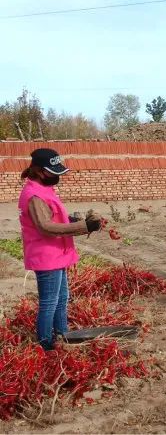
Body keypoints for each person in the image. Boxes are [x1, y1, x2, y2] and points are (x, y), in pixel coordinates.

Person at [18, 148, 103, 351]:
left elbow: (53, 215)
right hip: (46, 255)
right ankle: (46, 344)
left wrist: (73, 220)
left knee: (62, 297)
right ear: (39, 171)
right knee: (49, 301)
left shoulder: (44, 189)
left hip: (56, 253)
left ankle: (63, 334)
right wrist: (85, 227)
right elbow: (46, 226)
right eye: (53, 172)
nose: (57, 176)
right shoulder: (34, 195)